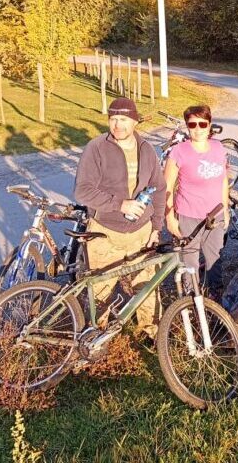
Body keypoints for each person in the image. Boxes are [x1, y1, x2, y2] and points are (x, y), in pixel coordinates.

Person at [74, 97, 165, 337]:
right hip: (104, 232)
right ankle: (95, 338)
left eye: (123, 119)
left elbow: (159, 188)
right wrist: (120, 205)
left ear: (134, 121)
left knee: (146, 286)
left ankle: (148, 333)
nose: (117, 125)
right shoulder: (96, 148)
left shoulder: (147, 149)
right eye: (113, 119)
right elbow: (83, 190)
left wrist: (156, 228)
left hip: (141, 233)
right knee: (100, 290)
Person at [163, 105, 230, 297]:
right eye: (193, 124)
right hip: (188, 216)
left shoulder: (218, 148)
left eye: (203, 124)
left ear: (209, 126)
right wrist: (170, 218)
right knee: (190, 264)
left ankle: (214, 302)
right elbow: (167, 186)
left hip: (214, 215)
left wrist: (225, 209)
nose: (198, 128)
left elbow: (224, 179)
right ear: (187, 126)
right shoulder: (178, 152)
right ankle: (191, 304)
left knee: (214, 259)